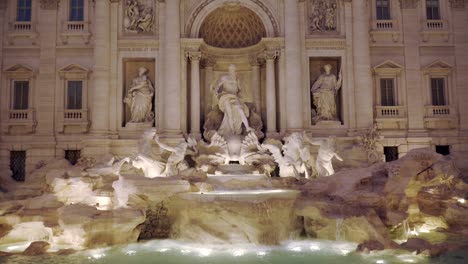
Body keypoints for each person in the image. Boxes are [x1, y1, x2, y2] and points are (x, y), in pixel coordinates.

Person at [211, 64, 254, 137]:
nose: (232, 70)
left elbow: (239, 90)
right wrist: (215, 91)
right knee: (229, 113)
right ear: (229, 70)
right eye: (231, 69)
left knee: (240, 109)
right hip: (226, 96)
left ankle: (247, 127)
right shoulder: (225, 77)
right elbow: (218, 86)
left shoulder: (237, 79)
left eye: (234, 69)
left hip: (234, 97)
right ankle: (232, 130)